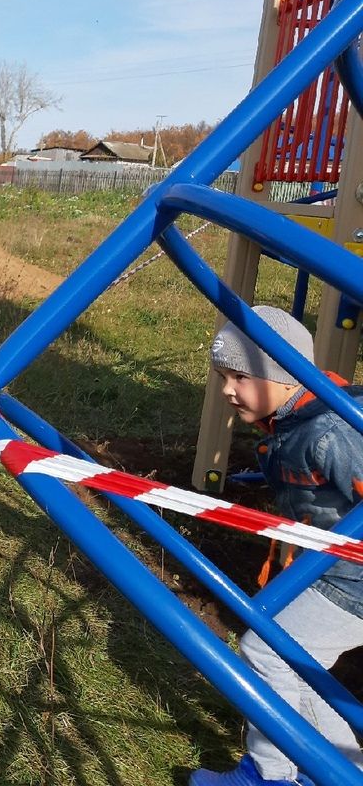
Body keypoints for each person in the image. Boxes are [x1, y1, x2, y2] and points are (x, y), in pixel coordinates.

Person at [190, 305, 363, 786]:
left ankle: (274, 774)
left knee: (266, 650)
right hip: (327, 571)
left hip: (352, 582)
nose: (226, 389)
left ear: (285, 377)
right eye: (222, 375)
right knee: (292, 664)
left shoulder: (334, 430)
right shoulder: (292, 421)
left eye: (239, 377)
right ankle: (333, 770)